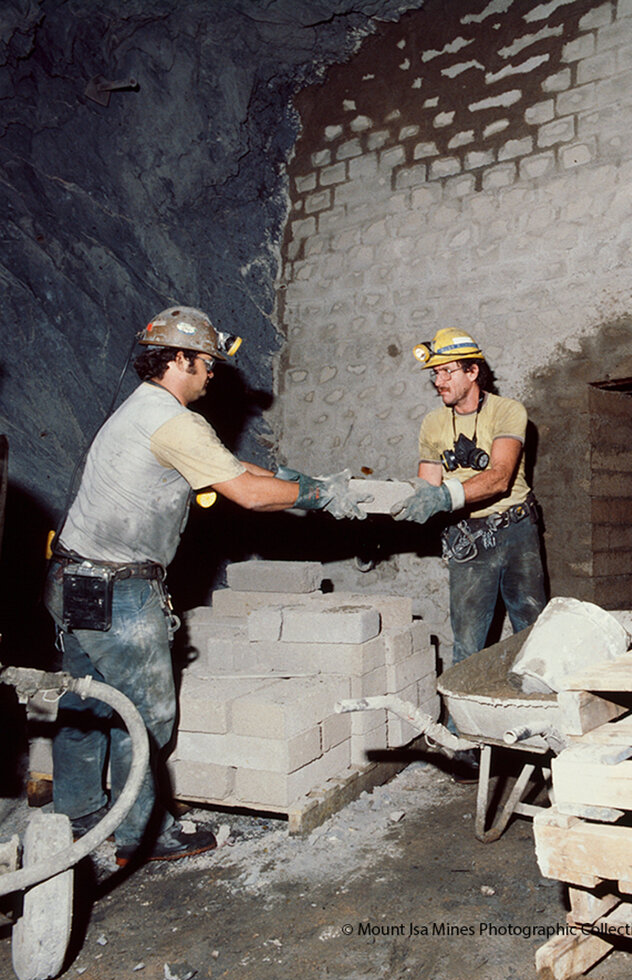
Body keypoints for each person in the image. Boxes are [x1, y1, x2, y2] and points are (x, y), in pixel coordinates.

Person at [44, 305, 367, 866]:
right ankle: (142, 836)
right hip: (121, 590)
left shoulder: (143, 412)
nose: (212, 372)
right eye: (206, 362)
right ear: (179, 359)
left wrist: (299, 479)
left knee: (86, 702)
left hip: (73, 580)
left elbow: (230, 469)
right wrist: (318, 498)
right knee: (143, 714)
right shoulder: (175, 421)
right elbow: (247, 492)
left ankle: (79, 813)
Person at [391, 326, 547, 682]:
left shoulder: (508, 411)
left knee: (533, 631)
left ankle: (542, 714)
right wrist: (395, 506)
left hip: (517, 531)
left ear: (473, 371)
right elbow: (426, 486)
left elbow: (499, 476)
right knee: (467, 644)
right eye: (435, 373)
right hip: (467, 538)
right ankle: (462, 730)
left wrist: (444, 496)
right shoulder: (432, 424)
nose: (438, 381)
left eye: (448, 371)